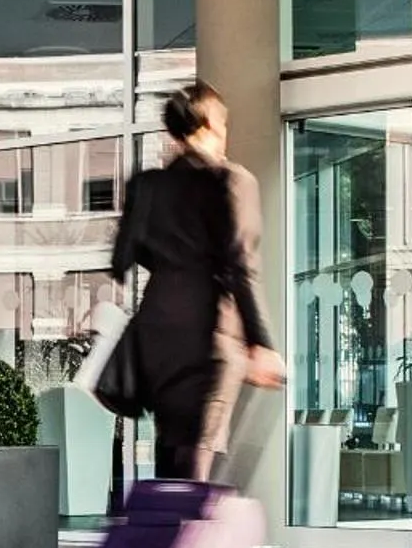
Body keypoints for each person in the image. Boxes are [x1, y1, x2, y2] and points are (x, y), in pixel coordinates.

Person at [110, 80, 284, 481]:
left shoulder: (148, 186)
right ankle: (189, 539)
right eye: (223, 124)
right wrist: (262, 343)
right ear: (206, 124)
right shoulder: (231, 181)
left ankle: (164, 537)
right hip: (211, 335)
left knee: (171, 451)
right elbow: (241, 266)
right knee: (198, 456)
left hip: (157, 337)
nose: (225, 135)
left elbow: (122, 261)